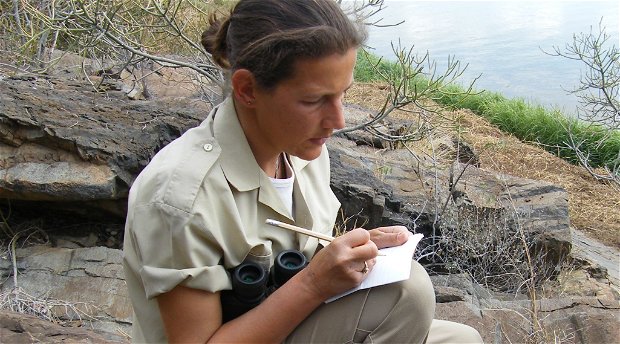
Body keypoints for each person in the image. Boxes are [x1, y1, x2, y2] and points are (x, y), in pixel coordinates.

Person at [122, 0, 484, 343]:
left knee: (462, 339)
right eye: (314, 101)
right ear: (247, 88)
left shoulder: (303, 153)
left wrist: (348, 253)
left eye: (343, 94)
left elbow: (298, 264)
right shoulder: (178, 200)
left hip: (289, 324)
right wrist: (313, 282)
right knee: (407, 291)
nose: (338, 121)